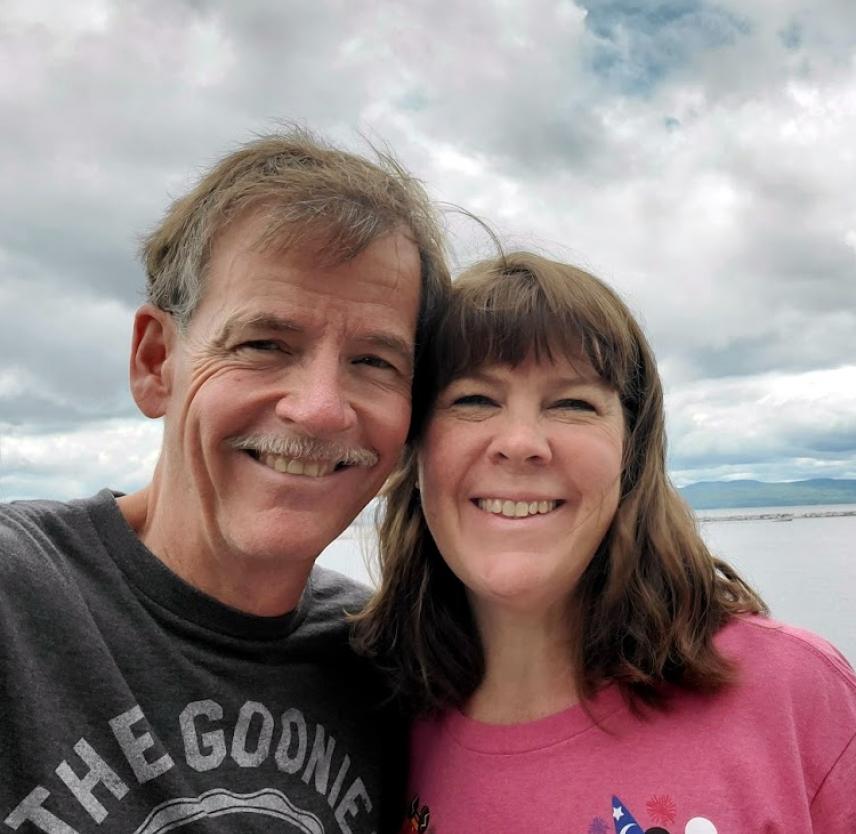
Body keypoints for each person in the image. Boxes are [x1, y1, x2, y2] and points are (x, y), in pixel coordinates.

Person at [0, 128, 449, 833]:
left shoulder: (389, 664)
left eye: (374, 361)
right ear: (157, 363)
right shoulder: (17, 597)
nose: (322, 409)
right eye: (264, 344)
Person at [357, 251, 856, 833]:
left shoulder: (793, 696)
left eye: (572, 404)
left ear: (632, 455)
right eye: (473, 400)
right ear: (414, 451)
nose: (520, 443)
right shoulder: (369, 716)